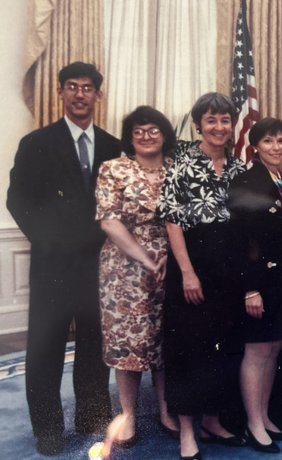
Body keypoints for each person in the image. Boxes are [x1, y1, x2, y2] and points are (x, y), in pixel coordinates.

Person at [7, 61, 119, 456]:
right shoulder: (36, 144)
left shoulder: (112, 146)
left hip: (98, 267)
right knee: (46, 349)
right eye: (71, 86)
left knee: (94, 346)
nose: (79, 94)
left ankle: (91, 418)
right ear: (60, 93)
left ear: (98, 95)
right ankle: (49, 430)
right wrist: (50, 239)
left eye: (87, 87)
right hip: (53, 265)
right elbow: (18, 200)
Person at [156, 92, 247, 459]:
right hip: (191, 270)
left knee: (223, 347)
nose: (219, 127)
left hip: (229, 270)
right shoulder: (181, 165)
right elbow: (172, 220)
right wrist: (188, 273)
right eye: (211, 120)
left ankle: (212, 420)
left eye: (225, 120)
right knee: (188, 350)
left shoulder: (240, 168)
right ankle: (187, 434)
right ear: (198, 125)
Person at [95, 106, 179, 449]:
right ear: (130, 137)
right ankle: (128, 414)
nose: (146, 136)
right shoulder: (113, 169)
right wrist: (146, 258)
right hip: (124, 269)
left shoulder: (177, 170)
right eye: (139, 131)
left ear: (165, 135)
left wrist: (173, 261)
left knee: (166, 339)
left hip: (173, 264)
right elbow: (109, 220)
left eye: (153, 130)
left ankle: (165, 409)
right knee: (127, 342)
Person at [227, 117, 282, 454]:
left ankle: (266, 416)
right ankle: (254, 424)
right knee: (256, 352)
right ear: (255, 146)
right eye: (269, 141)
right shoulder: (246, 182)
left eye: (281, 141)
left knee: (272, 351)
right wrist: (250, 288)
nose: (276, 147)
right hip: (259, 282)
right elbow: (241, 242)